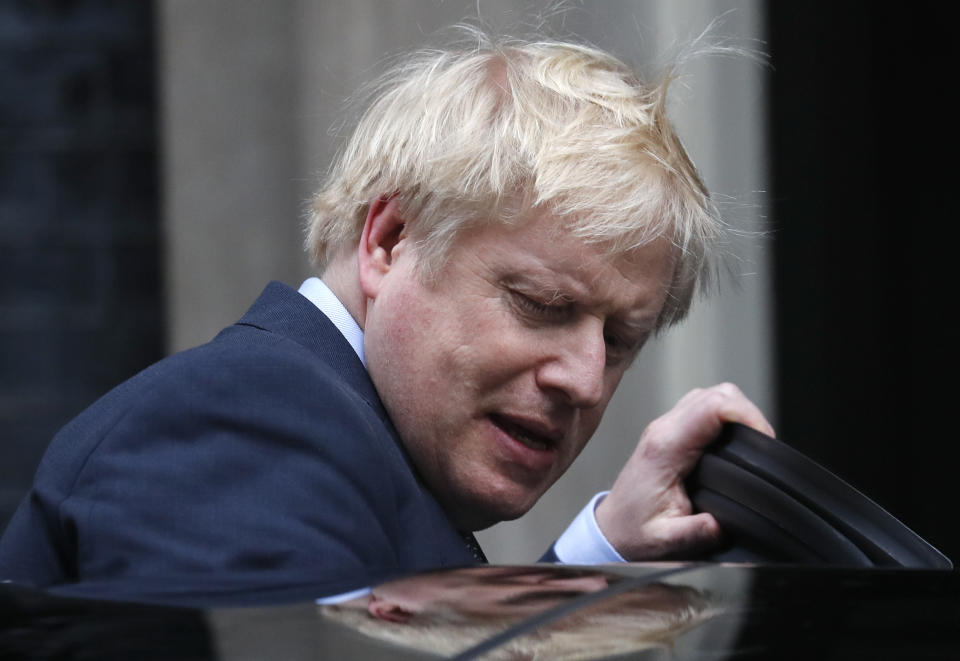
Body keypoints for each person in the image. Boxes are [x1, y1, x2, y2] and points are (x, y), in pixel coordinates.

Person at [0, 30, 773, 600]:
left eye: (620, 337)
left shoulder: (322, 433)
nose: (586, 378)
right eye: (542, 305)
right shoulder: (251, 424)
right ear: (390, 240)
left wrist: (605, 553)